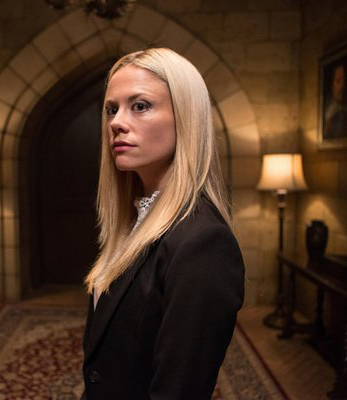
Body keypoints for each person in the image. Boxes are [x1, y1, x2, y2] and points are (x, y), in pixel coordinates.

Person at [81, 48, 245, 399]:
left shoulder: (203, 243)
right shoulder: (136, 216)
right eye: (112, 108)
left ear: (186, 117)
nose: (116, 122)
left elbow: (179, 390)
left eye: (140, 106)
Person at [323, 64, 347, 139]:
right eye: (338, 81)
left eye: (344, 81)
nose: (342, 86)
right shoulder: (327, 108)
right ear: (332, 86)